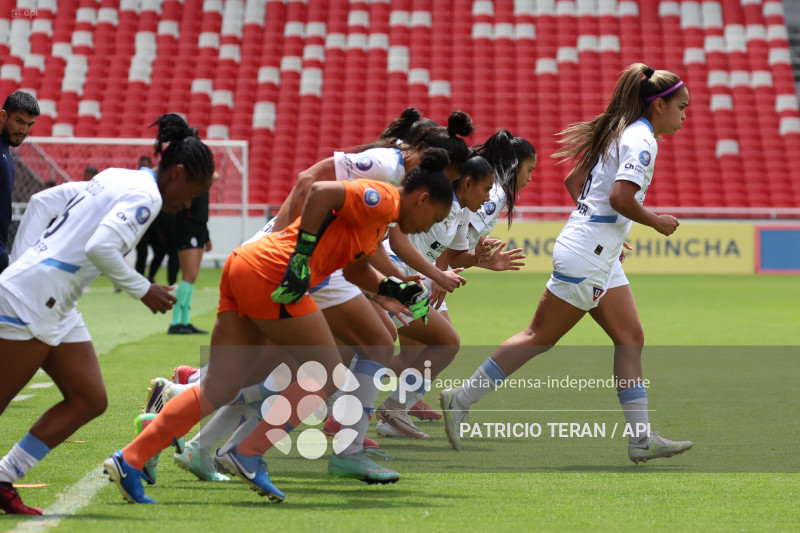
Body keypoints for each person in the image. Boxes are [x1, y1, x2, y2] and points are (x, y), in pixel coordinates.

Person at [103, 148, 454, 505]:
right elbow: (320, 192)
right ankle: (248, 451)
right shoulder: (384, 199)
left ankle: (129, 459)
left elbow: (355, 270)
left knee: (220, 387)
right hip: (275, 275)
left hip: (245, 265)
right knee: (328, 374)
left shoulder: (380, 221)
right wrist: (301, 258)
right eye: (434, 218)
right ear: (422, 199)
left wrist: (398, 289)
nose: (429, 228)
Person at [439, 63, 694, 464]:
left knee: (630, 338)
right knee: (538, 336)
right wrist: (655, 222)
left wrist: (605, 235)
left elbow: (575, 182)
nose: (684, 116)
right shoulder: (642, 139)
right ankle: (460, 398)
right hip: (589, 253)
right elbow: (621, 199)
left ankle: (641, 439)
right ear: (658, 106)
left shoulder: (620, 132)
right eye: (681, 107)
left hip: (596, 252)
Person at [0, 113, 215, 515]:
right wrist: (143, 290)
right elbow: (101, 247)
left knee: (88, 398)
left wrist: (21, 262)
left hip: (54, 302)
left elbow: (46, 201)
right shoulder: (147, 197)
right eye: (193, 194)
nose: (189, 205)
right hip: (32, 301)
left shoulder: (122, 176)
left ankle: (4, 475)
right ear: (178, 173)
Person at [167, 173, 219, 334]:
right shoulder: (191, 185)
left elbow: (201, 214)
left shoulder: (202, 187)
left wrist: (206, 237)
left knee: (192, 277)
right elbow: (186, 204)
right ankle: (175, 322)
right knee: (188, 276)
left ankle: (185, 321)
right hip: (187, 229)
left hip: (199, 230)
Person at [0, 91, 39, 274]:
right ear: (3, 116)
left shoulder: (6, 151)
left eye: (29, 124)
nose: (24, 130)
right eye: (19, 121)